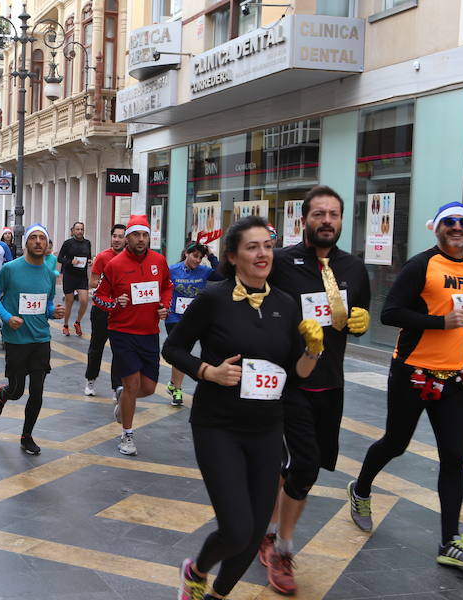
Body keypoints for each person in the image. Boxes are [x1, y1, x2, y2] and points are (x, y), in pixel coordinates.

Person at [161, 216, 323, 600]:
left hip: (267, 428)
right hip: (218, 425)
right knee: (235, 527)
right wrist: (207, 372)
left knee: (253, 535)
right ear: (233, 257)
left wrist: (314, 350)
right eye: (252, 247)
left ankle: (217, 595)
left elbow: (296, 374)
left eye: (267, 245)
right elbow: (172, 348)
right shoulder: (214, 298)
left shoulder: (285, 304)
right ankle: (196, 570)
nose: (263, 253)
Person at [348, 201, 463, 568]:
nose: (457, 227)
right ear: (436, 227)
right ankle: (360, 489)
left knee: (454, 457)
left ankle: (449, 540)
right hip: (413, 372)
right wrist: (440, 323)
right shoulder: (422, 264)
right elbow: (390, 313)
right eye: (449, 222)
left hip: (453, 378)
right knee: (396, 443)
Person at [260, 185, 371, 594]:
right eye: (319, 213)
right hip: (286, 380)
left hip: (331, 382)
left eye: (334, 214)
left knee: (303, 466)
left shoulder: (354, 267)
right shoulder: (281, 261)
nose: (327, 221)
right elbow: (252, 300)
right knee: (302, 464)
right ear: (303, 218)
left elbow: (360, 311)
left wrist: (360, 319)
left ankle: (269, 529)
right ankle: (282, 549)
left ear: (342, 221)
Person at [92, 215, 172, 456]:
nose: (141, 239)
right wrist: (115, 303)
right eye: (136, 235)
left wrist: (164, 305)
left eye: (145, 235)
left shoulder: (159, 260)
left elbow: (167, 285)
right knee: (132, 383)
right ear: (127, 238)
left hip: (149, 332)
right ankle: (127, 435)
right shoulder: (114, 264)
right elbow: (98, 297)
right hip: (122, 332)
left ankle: (124, 400)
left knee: (148, 387)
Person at [0, 224, 65, 455]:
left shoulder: (50, 275)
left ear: (48, 245)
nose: (39, 242)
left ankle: (27, 435)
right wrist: (7, 317)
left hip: (41, 338)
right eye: (34, 238)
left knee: (38, 390)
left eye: (43, 238)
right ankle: (3, 394)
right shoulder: (11, 269)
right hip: (16, 339)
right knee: (18, 390)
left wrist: (54, 313)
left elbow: (46, 303)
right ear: (26, 243)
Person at [165, 242, 223, 407]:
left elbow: (221, 275)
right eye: (195, 256)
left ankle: (173, 384)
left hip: (194, 318)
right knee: (180, 351)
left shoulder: (204, 271)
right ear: (186, 254)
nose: (197, 260)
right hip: (174, 317)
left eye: (200, 257)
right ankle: (177, 390)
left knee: (184, 352)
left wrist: (212, 256)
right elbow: (162, 286)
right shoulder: (172, 270)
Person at [84, 224, 126, 399]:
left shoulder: (130, 258)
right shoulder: (102, 257)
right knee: (96, 346)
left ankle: (117, 386)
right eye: (114, 236)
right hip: (102, 309)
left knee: (120, 349)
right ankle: (90, 379)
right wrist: (109, 283)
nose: (116, 239)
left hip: (122, 311)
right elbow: (92, 283)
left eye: (120, 236)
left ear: (126, 239)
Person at [57, 222, 92, 336]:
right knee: (69, 302)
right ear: (73, 231)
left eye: (82, 229)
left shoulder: (87, 243)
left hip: (82, 276)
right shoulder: (68, 243)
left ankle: (77, 322)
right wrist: (70, 261)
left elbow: (88, 257)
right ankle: (66, 325)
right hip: (69, 275)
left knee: (84, 301)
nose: (80, 231)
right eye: (77, 229)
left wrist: (90, 261)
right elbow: (60, 258)